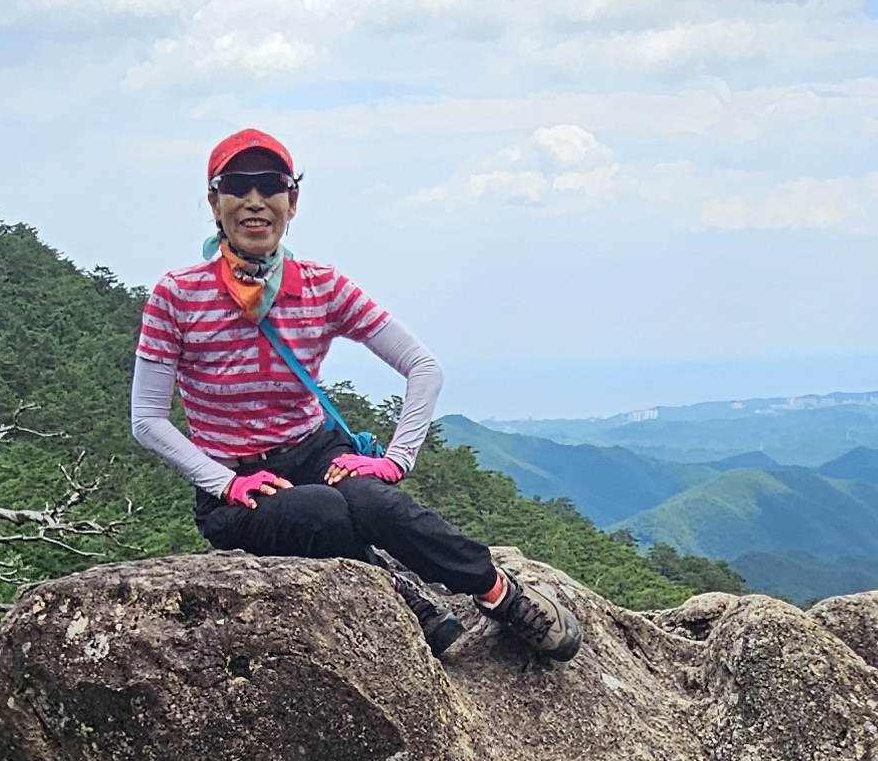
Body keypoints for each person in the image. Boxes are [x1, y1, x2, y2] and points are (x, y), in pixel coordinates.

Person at [131, 128, 581, 661]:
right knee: (321, 510)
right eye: (237, 185)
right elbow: (147, 419)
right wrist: (226, 483)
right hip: (231, 480)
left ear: (292, 200)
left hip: (313, 449)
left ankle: (499, 594)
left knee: (371, 499)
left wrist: (396, 460)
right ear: (214, 202)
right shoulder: (178, 295)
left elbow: (423, 367)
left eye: (270, 184)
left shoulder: (320, 285)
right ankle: (391, 589)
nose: (254, 200)